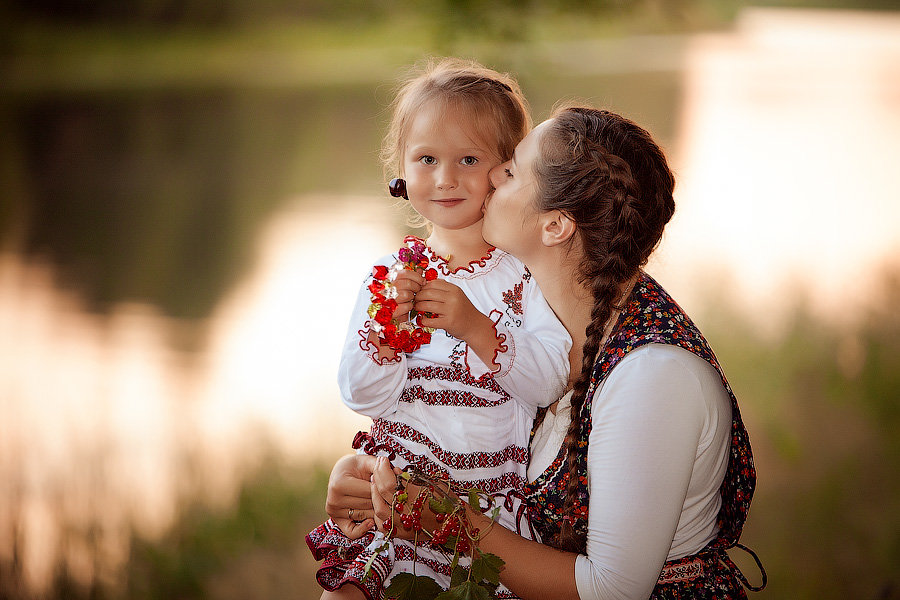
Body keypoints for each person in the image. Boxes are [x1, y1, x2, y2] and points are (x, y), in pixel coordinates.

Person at [327, 106, 765, 599]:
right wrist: (370, 475)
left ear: (555, 226)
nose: (490, 174)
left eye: (510, 170)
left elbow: (613, 591)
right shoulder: (531, 315)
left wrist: (446, 521)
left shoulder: (654, 377)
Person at [306, 58, 572, 599]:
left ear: (505, 172)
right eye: (426, 158)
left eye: (468, 159)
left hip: (482, 516)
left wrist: (476, 326)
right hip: (394, 499)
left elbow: (548, 382)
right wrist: (386, 340)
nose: (445, 178)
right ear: (401, 169)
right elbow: (359, 395)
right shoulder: (388, 278)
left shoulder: (522, 277)